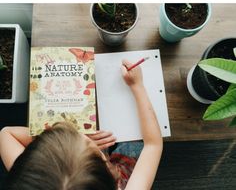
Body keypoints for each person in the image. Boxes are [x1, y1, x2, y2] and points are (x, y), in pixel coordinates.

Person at [0, 60, 163, 189]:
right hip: (124, 170)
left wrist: (54, 139)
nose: (83, 135)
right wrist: (137, 86)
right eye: (101, 157)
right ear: (110, 179)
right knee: (133, 143)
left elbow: (5, 133)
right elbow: (153, 145)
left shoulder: (29, 178)